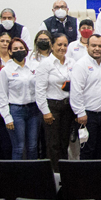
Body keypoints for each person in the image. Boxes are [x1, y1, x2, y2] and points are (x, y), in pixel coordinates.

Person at [35, 33, 75, 172]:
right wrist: (45, 112)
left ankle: (64, 172)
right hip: (52, 107)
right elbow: (40, 90)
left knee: (64, 142)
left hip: (67, 106)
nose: (62, 48)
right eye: (59, 44)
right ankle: (54, 174)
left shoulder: (71, 62)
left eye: (65, 45)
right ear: (52, 46)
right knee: (53, 144)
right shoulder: (45, 64)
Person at [0, 37, 42, 160]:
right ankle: (16, 172)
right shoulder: (5, 71)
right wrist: (7, 117)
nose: (19, 51)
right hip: (16, 111)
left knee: (33, 146)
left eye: (21, 48)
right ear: (10, 52)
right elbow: (2, 96)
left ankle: (32, 171)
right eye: (15, 49)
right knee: (19, 147)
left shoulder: (35, 66)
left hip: (34, 110)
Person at [70, 35, 101, 160]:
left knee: (100, 149)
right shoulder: (81, 65)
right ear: (87, 46)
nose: (97, 49)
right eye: (93, 45)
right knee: (88, 150)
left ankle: (97, 173)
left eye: (100, 46)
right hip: (88, 116)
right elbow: (76, 91)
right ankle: (86, 174)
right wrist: (80, 113)